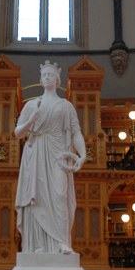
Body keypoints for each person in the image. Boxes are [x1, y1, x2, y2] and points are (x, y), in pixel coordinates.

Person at [14, 61, 86, 255]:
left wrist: (83, 154)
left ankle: (62, 242)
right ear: (40, 79)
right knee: (35, 198)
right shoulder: (31, 105)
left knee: (60, 195)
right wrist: (31, 119)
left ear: (57, 79)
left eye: (50, 75)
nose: (47, 78)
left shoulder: (66, 106)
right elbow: (18, 133)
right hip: (36, 152)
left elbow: (76, 133)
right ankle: (35, 245)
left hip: (59, 155)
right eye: (44, 75)